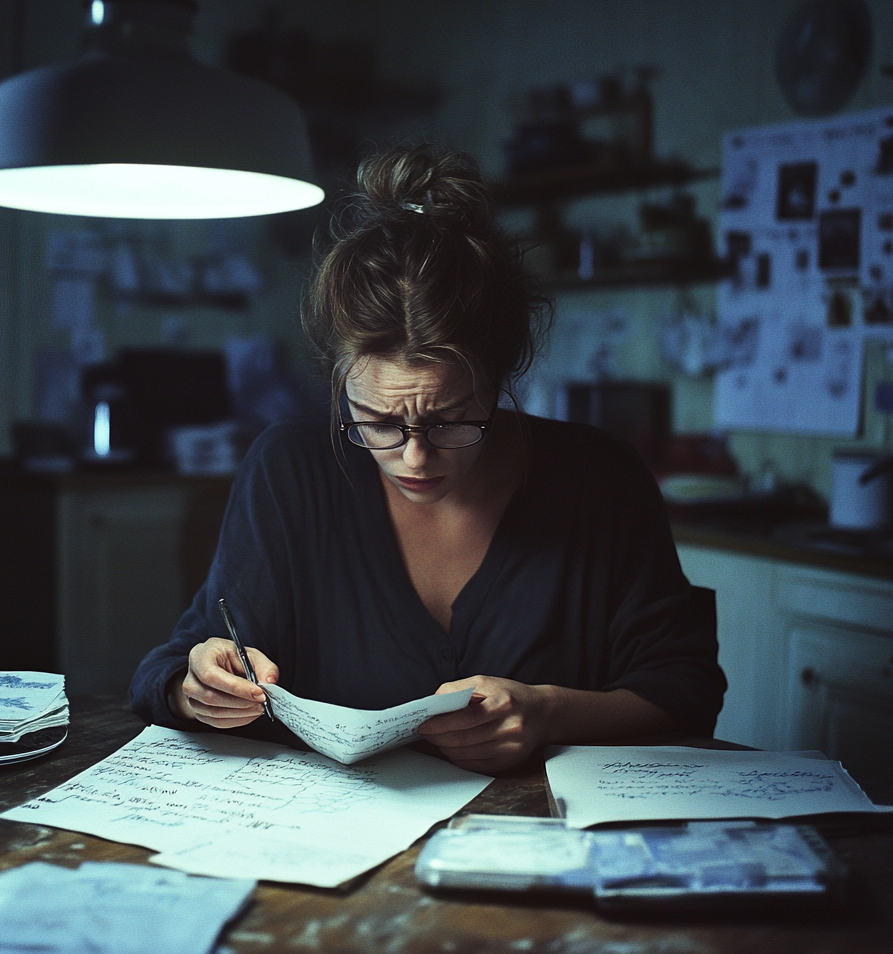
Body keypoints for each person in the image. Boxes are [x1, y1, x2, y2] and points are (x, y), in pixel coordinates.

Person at [130, 144, 725, 774]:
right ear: (339, 384)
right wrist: (196, 690)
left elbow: (685, 690)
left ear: (500, 378)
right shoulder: (291, 471)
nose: (414, 457)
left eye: (449, 420)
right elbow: (166, 668)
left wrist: (549, 711)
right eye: (379, 422)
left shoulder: (599, 480)